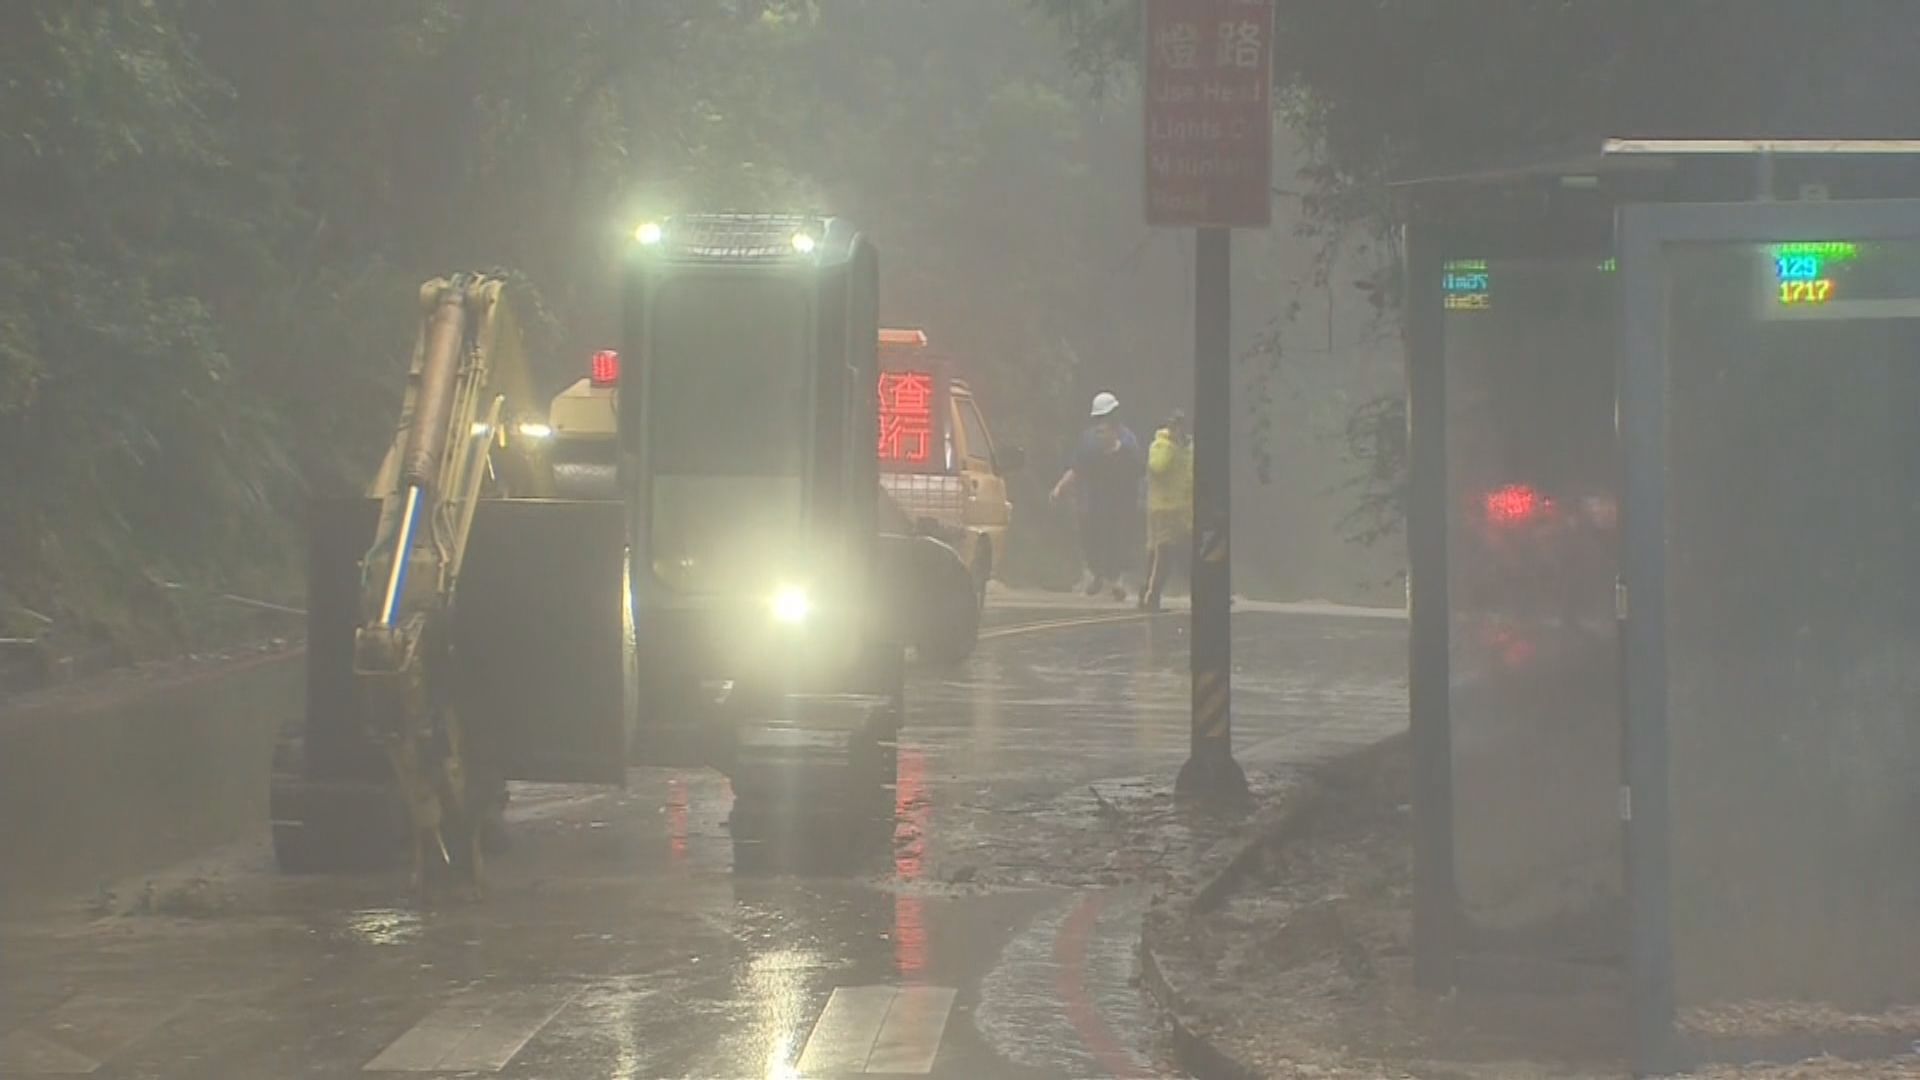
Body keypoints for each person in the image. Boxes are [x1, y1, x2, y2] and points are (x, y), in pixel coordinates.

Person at [1050, 391, 1142, 601]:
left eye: (1106, 418)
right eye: (1098, 419)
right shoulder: (1088, 441)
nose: (1102, 425)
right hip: (1094, 501)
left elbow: (1140, 471)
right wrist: (1059, 489)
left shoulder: (1128, 442)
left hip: (1122, 504)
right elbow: (1077, 468)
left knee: (1118, 540)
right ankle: (1097, 575)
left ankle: (1116, 580)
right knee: (1092, 538)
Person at [1142, 409, 1193, 612]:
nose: (1177, 430)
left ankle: (1149, 593)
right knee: (1162, 553)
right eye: (1173, 426)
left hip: (1182, 510)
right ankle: (1150, 596)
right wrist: (1171, 444)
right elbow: (1158, 467)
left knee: (1181, 553)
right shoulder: (1160, 445)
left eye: (1180, 426)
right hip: (1162, 509)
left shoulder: (1187, 448)